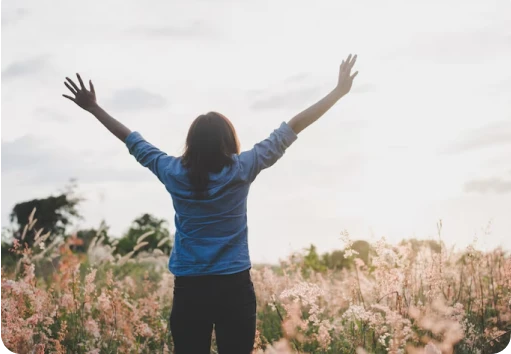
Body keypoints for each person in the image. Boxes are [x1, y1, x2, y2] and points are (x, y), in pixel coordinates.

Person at [62, 54, 358, 354]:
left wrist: (94, 108)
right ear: (228, 140)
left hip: (190, 288)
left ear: (191, 142)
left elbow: (132, 140)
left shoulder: (172, 171)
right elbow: (293, 127)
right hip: (234, 286)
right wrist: (337, 92)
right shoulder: (242, 168)